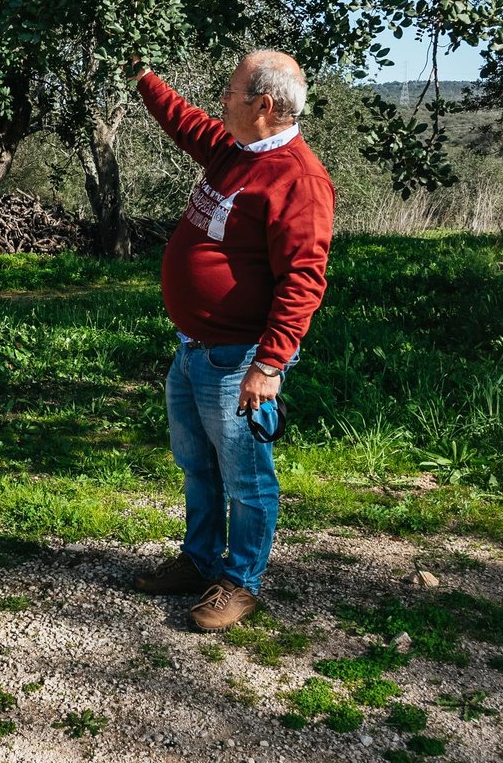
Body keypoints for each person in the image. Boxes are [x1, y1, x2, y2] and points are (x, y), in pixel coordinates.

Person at [128, 51, 334, 632]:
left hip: (240, 357)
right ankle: (198, 562)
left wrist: (269, 364)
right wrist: (143, 76)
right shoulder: (236, 149)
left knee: (246, 478)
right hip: (194, 345)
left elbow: (303, 279)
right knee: (197, 465)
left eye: (232, 90)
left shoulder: (300, 180)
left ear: (263, 105)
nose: (221, 98)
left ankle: (241, 582)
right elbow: (186, 121)